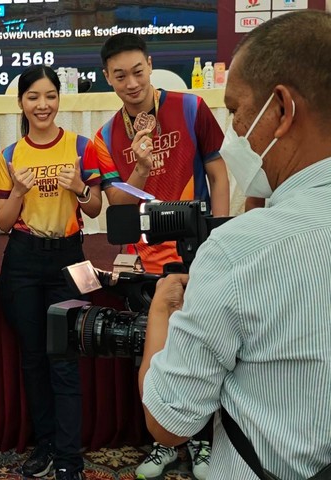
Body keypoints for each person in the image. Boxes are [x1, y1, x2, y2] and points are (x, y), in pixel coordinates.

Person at [139, 10, 331, 479]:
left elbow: (169, 423)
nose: (234, 133)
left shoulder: (241, 251)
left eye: (235, 110)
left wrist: (162, 311)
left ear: (281, 110)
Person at [95, 33, 230, 479]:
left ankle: (204, 443)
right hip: (147, 260)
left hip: (198, 254)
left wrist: (219, 236)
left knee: (203, 352)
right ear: (108, 78)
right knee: (153, 354)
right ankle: (162, 444)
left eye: (138, 71)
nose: (131, 83)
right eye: (120, 76)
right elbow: (117, 203)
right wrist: (140, 166)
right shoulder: (105, 136)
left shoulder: (190, 108)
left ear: (150, 65)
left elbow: (217, 172)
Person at [0, 65, 102, 480]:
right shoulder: (10, 155)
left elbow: (95, 208)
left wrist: (79, 188)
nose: (43, 105)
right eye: (33, 97)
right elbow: (3, 222)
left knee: (64, 359)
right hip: (23, 260)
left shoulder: (80, 147)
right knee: (34, 358)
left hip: (69, 260)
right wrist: (18, 192)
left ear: (59, 98)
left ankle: (70, 458)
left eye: (50, 96)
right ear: (21, 102)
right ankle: (46, 445)